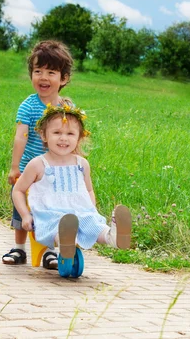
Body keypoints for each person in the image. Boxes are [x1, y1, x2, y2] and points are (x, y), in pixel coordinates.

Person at [12, 105, 132, 276]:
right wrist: (25, 214)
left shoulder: (81, 164)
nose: (63, 139)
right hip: (49, 213)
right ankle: (65, 240)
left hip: (80, 211)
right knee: (58, 224)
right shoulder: (38, 164)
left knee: (92, 223)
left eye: (70, 134)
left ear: (79, 138)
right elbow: (18, 190)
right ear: (43, 135)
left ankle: (113, 237)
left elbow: (89, 190)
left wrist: (92, 209)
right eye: (57, 133)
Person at [2, 40, 75, 268]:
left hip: (55, 172)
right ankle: (19, 248)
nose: (43, 77)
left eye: (51, 72)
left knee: (53, 210)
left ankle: (50, 251)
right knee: (21, 207)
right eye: (38, 71)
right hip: (28, 170)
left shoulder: (66, 108)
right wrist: (15, 168)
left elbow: (73, 137)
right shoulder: (29, 106)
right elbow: (20, 137)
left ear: (63, 79)